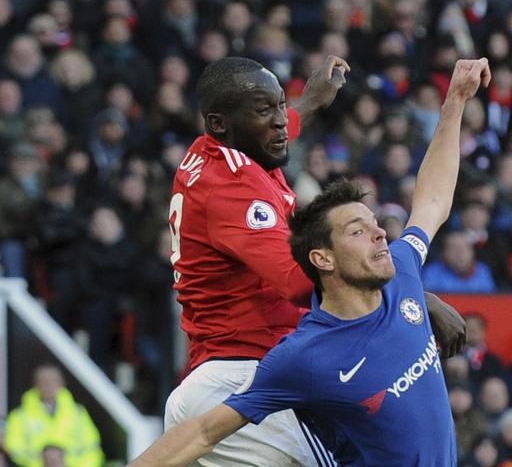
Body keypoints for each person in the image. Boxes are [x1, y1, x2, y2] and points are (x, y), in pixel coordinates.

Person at [131, 58, 491, 467]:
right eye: (266, 110)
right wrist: (410, 293)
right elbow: (301, 280)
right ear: (218, 123)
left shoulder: (224, 154)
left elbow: (432, 203)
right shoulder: (234, 190)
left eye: (281, 105)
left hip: (225, 377)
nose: (282, 121)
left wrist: (312, 102)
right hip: (243, 374)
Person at [4, 364, 103, 467]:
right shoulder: (19, 416)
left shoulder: (78, 413)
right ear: (35, 384)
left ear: (62, 383)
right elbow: (13, 451)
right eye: (44, 381)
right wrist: (43, 464)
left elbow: (92, 449)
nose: (48, 385)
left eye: (53, 381)